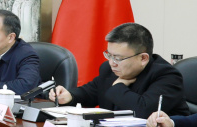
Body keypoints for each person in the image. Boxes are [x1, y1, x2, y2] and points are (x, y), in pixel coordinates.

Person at [48, 22, 187, 118]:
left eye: (118, 58)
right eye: (109, 55)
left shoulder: (167, 76)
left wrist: (118, 87)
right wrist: (70, 96)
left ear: (143, 58)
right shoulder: (109, 69)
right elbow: (89, 93)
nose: (112, 63)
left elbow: (144, 111)